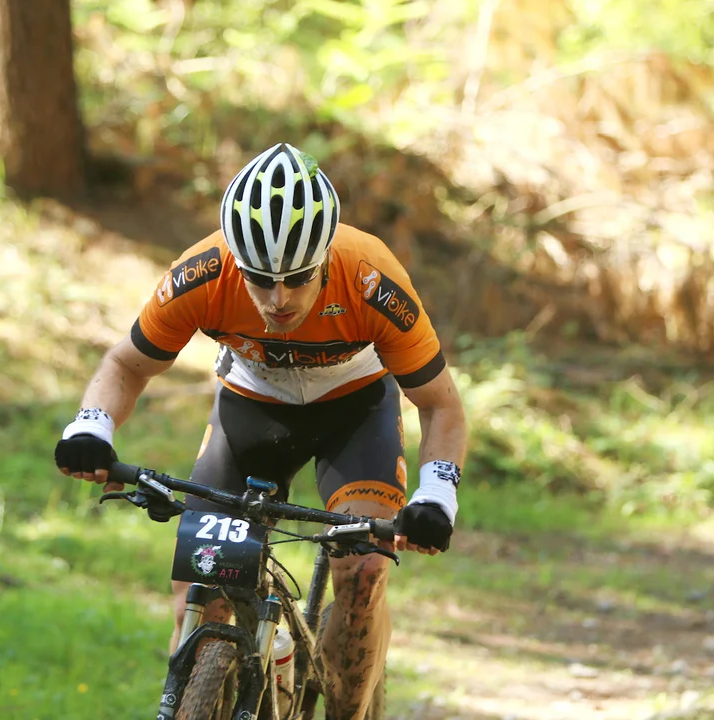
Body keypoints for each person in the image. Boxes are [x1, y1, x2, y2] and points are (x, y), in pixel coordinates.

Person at [54, 143, 467, 719]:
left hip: (354, 412)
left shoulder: (370, 277)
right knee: (199, 594)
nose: (279, 300)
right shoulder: (203, 272)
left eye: (298, 278)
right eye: (260, 279)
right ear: (235, 258)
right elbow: (127, 364)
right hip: (252, 407)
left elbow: (441, 404)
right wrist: (91, 427)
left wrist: (437, 494)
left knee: (364, 571)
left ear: (326, 256)